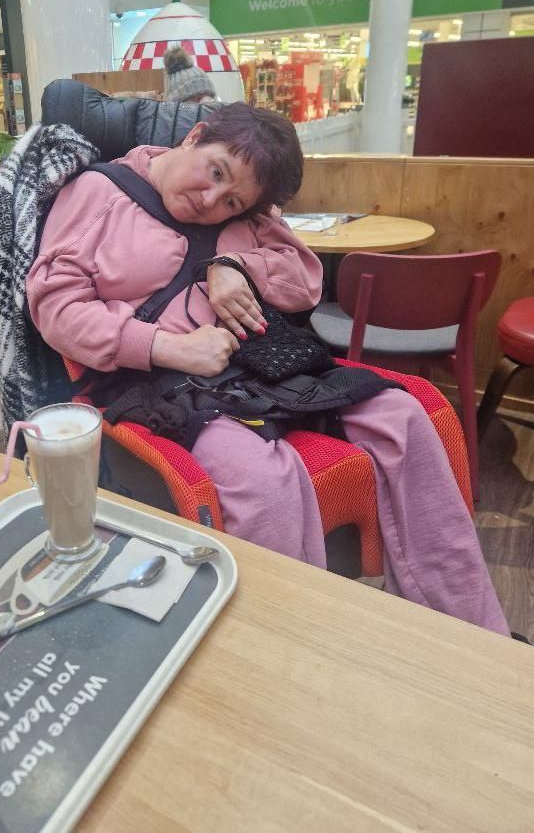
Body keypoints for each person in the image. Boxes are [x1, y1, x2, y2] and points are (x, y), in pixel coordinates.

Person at [27, 103, 509, 635]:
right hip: (163, 385)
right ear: (195, 137)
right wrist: (167, 346)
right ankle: (293, 645)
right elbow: (56, 309)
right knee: (264, 482)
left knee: (405, 415)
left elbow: (303, 283)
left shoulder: (245, 217)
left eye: (231, 199)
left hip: (262, 365)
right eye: (215, 172)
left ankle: (470, 630)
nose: (210, 200)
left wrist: (231, 265)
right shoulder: (98, 193)